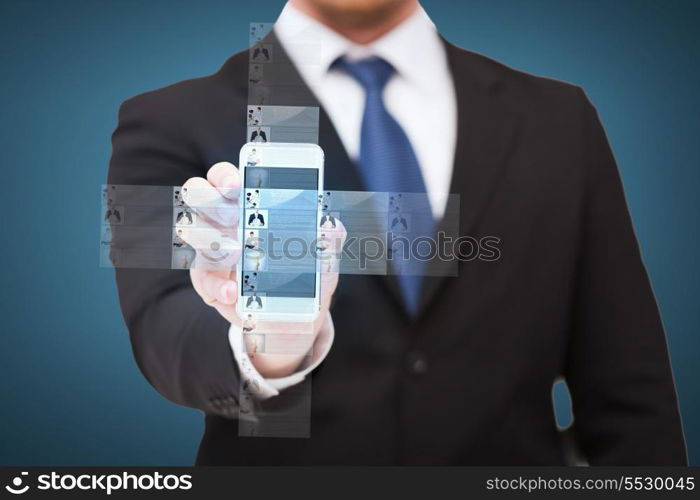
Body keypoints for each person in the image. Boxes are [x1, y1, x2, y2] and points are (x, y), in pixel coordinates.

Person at [108, 0, 687, 465]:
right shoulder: (163, 119)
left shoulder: (562, 117)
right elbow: (161, 331)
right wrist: (277, 344)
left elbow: (627, 379)